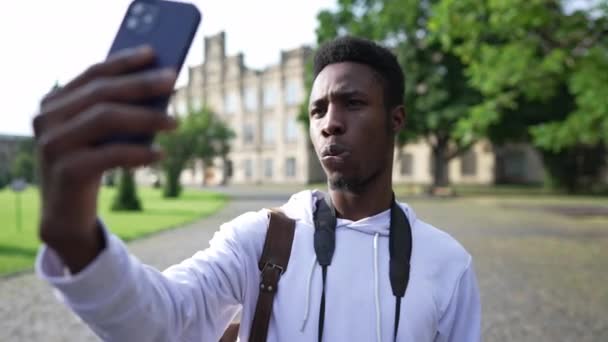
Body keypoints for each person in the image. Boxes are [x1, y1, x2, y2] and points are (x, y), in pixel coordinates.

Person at [35, 36, 481, 341]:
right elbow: (163, 320)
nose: (330, 123)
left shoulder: (447, 264)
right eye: (317, 110)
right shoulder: (263, 240)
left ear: (396, 119)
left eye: (354, 103)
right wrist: (76, 240)